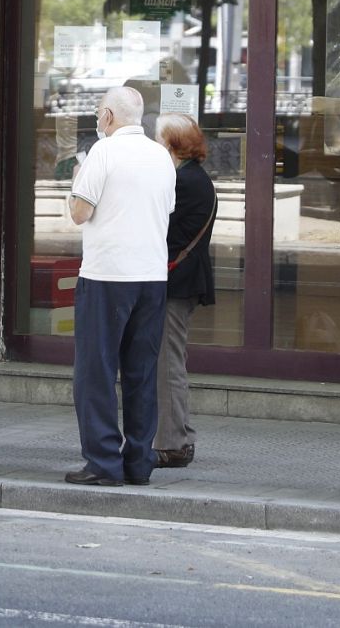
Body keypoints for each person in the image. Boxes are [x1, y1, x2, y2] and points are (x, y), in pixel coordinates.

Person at [65, 87, 175, 487]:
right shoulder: (161, 155)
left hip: (107, 275)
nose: (98, 120)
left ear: (108, 116)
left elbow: (80, 212)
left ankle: (102, 462)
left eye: (98, 113)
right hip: (151, 275)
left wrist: (76, 180)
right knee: (140, 372)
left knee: (96, 371)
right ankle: (138, 461)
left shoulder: (103, 153)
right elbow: (166, 210)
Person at [153, 114, 215, 469]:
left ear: (171, 144)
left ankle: (173, 443)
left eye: (158, 138)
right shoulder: (193, 178)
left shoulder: (184, 182)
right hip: (182, 282)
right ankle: (180, 436)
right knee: (169, 361)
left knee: (167, 364)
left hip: (176, 284)